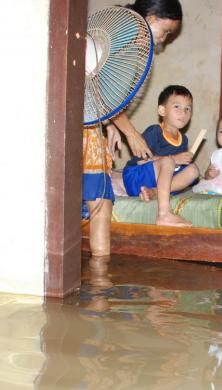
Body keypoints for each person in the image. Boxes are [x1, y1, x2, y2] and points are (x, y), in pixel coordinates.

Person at [83, 0, 183, 256]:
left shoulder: (120, 33)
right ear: (150, 18)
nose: (161, 41)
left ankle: (99, 281)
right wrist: (131, 133)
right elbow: (100, 87)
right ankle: (100, 285)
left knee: (99, 205)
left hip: (88, 125)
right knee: (101, 206)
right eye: (165, 31)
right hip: (85, 132)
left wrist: (112, 122)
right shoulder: (126, 30)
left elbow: (102, 89)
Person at [122, 85, 199, 227]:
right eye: (177, 107)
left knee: (193, 170)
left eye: (188, 109)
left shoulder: (184, 139)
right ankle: (164, 214)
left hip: (155, 183)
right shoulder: (155, 132)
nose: (183, 112)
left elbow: (175, 168)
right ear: (162, 110)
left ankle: (155, 192)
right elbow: (141, 161)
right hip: (135, 177)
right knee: (168, 162)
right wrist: (173, 159)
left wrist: (182, 162)